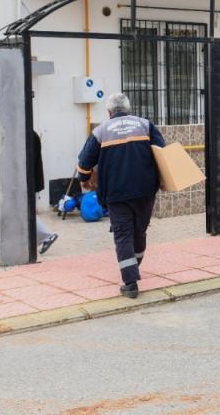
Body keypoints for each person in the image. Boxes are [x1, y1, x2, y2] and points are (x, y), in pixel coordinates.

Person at [74, 93, 166, 298]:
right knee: (139, 231)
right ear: (129, 110)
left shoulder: (101, 131)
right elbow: (163, 152)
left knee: (122, 235)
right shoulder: (145, 125)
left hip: (116, 194)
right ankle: (134, 265)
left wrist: (84, 176)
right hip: (145, 191)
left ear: (108, 112)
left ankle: (131, 282)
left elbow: (84, 162)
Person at [30, 130, 59, 255]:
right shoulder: (31, 134)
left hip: (30, 182)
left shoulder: (28, 134)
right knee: (28, 212)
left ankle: (47, 236)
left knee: (27, 213)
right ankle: (36, 241)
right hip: (32, 181)